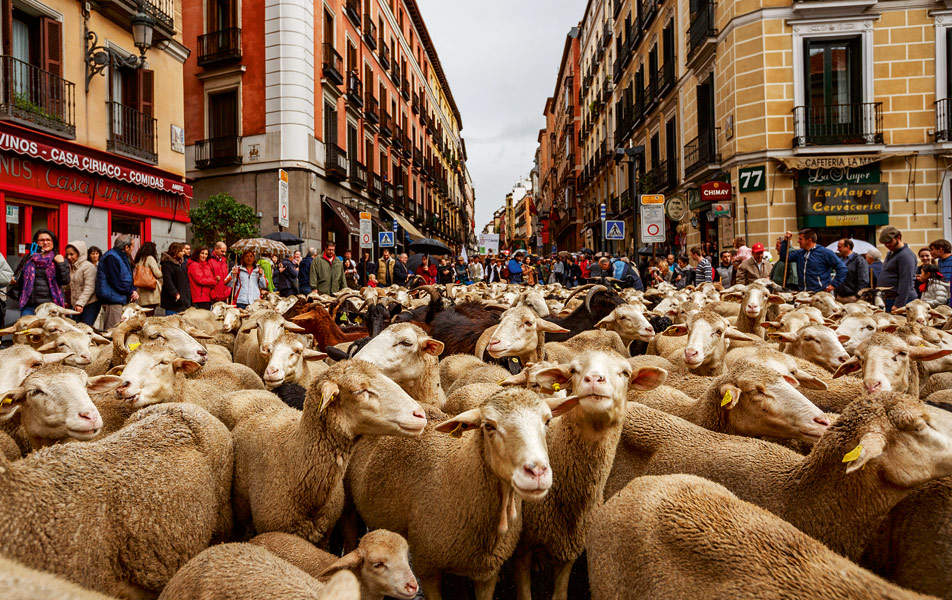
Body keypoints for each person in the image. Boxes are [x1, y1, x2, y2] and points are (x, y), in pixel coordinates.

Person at [780, 229, 846, 293]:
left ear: (809, 240)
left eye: (800, 239)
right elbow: (784, 258)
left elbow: (842, 268)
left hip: (820, 294)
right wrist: (786, 241)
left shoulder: (825, 253)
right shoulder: (799, 253)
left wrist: (833, 285)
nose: (798, 241)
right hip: (803, 293)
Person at [96, 236, 137, 328]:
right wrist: (130, 292)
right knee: (112, 330)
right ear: (126, 247)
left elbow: (126, 278)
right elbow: (115, 281)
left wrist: (133, 290)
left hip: (118, 298)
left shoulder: (121, 256)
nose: (133, 249)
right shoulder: (112, 257)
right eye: (133, 246)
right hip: (113, 300)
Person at [879, 226, 917, 312]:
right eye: (885, 243)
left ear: (898, 237)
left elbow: (906, 281)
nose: (887, 245)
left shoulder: (906, 255)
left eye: (889, 242)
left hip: (901, 300)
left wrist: (898, 304)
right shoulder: (891, 253)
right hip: (890, 299)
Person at [64, 240, 99, 327]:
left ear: (80, 254)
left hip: (89, 305)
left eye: (71, 254)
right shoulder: (72, 267)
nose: (69, 257)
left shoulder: (88, 267)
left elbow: (89, 287)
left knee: (85, 329)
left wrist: (80, 303)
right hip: (77, 306)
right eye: (67, 254)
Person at [834, 238, 869, 303]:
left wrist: (857, 296)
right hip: (839, 297)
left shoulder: (859, 260)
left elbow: (864, 280)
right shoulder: (840, 260)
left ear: (847, 247)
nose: (837, 249)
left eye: (839, 247)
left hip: (852, 298)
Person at [160, 243, 190, 315]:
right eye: (181, 251)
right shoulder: (166, 264)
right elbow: (168, 281)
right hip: (173, 300)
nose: (183, 253)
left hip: (183, 299)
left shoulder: (182, 263)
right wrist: (175, 293)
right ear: (176, 251)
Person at [133, 241, 163, 311]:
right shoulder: (150, 258)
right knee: (150, 313)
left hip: (142, 292)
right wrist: (162, 270)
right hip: (151, 291)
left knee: (144, 313)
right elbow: (157, 274)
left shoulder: (139, 259)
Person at [929, 239, 952, 306]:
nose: (931, 252)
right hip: (943, 294)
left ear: (940, 249)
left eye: (932, 250)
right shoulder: (940, 261)